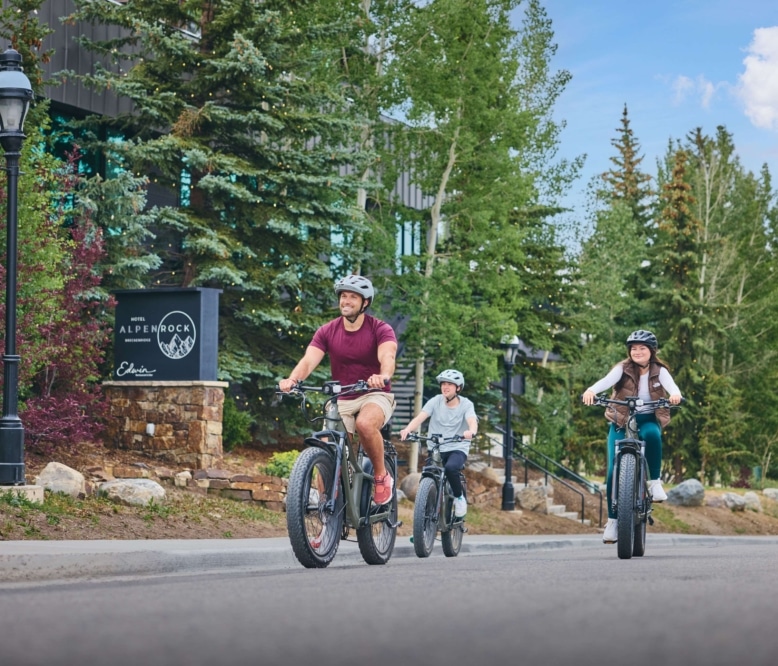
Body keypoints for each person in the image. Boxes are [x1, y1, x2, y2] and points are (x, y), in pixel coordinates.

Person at [278, 274, 397, 505]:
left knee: (364, 423)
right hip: (342, 397)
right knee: (326, 446)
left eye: (353, 297)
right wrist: (292, 380)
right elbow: (308, 361)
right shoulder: (327, 331)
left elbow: (388, 355)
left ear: (365, 303)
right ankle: (327, 510)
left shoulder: (380, 329)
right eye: (343, 296)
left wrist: (383, 376)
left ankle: (381, 476)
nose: (346, 301)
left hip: (375, 394)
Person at [582, 329, 682, 544]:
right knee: (611, 473)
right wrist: (591, 390)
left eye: (642, 348)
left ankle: (654, 482)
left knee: (653, 436)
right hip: (620, 419)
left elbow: (673, 387)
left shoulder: (659, 370)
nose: (637, 352)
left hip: (647, 418)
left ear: (651, 351)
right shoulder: (623, 369)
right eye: (633, 348)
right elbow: (606, 382)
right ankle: (613, 522)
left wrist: (675, 395)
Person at [399, 369, 478, 517]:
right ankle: (422, 526)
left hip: (457, 447)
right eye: (443, 384)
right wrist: (408, 429)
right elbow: (420, 417)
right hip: (436, 447)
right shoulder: (435, 401)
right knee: (427, 477)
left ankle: (459, 498)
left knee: (451, 468)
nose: (445, 387)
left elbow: (472, 421)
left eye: (449, 384)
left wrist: (471, 431)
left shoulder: (466, 405)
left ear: (458, 388)